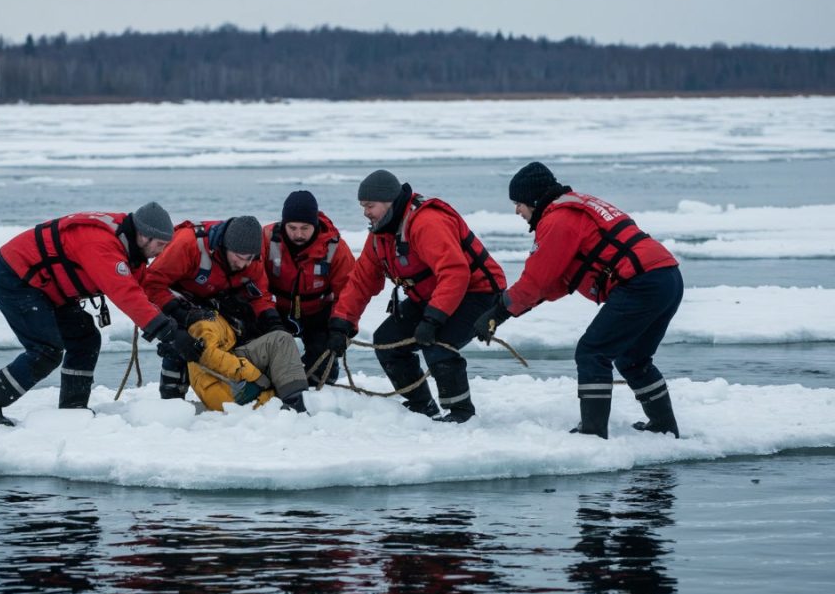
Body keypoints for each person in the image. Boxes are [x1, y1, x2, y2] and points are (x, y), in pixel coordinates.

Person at [474, 162, 683, 439]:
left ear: (534, 199)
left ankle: (593, 433)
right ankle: (663, 427)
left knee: (592, 352)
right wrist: (504, 310)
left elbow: (537, 280)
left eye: (519, 203)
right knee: (633, 358)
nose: (517, 211)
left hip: (640, 283)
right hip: (666, 278)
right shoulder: (575, 206)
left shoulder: (558, 219)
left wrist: (498, 312)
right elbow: (555, 282)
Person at [0, 203, 196, 428]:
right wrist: (169, 334)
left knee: (85, 340)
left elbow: (143, 289)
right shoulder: (100, 243)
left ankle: (72, 409)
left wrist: (179, 318)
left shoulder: (131, 250)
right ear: (144, 236)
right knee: (45, 351)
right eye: (160, 244)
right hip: (17, 278)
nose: (162, 251)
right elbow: (127, 295)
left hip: (50, 289)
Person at [328, 169, 506, 423]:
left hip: (477, 293)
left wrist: (433, 319)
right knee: (387, 340)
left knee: (437, 344)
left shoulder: (426, 222)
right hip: (432, 296)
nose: (365, 212)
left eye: (370, 206)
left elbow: (455, 273)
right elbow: (362, 280)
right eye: (362, 206)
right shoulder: (380, 234)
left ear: (390, 202)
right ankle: (423, 408)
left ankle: (461, 415)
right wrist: (342, 323)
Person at [141, 215, 286, 400]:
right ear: (224, 247)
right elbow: (150, 284)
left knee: (245, 330)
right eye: (239, 257)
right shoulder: (188, 244)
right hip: (174, 297)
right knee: (183, 342)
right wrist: (179, 313)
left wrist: (273, 322)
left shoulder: (252, 259)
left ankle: (241, 390)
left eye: (249, 258)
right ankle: (172, 398)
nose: (243, 264)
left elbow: (260, 296)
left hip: (213, 300)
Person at [261, 190, 355, 385]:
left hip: (318, 312)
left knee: (323, 371)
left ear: (315, 225)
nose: (298, 234)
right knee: (260, 356)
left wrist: (343, 328)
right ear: (283, 223)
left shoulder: (335, 248)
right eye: (292, 227)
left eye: (305, 228)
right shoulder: (267, 240)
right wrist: (266, 315)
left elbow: (348, 294)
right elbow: (254, 282)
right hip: (275, 311)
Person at [178, 305, 310, 412]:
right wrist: (255, 376)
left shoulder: (218, 319)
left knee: (277, 352)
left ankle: (292, 400)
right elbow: (207, 355)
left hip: (222, 382)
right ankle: (295, 406)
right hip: (220, 389)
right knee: (281, 340)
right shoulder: (205, 324)